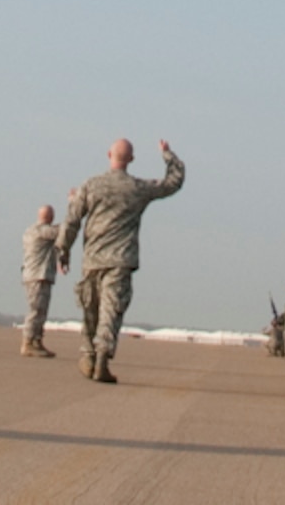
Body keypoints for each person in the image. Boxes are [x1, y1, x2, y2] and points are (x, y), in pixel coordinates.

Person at [56, 138, 185, 384]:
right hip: (120, 260)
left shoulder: (91, 186)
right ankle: (102, 355)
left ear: (109, 154)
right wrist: (168, 155)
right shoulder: (137, 188)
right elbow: (173, 183)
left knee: (89, 309)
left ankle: (88, 354)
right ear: (132, 160)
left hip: (93, 260)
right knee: (110, 311)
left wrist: (63, 250)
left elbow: (72, 219)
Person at [19, 204, 61, 358]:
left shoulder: (30, 231)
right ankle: (28, 342)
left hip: (36, 274)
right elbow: (62, 230)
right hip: (37, 275)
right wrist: (74, 205)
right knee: (36, 310)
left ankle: (36, 341)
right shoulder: (42, 231)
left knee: (41, 310)